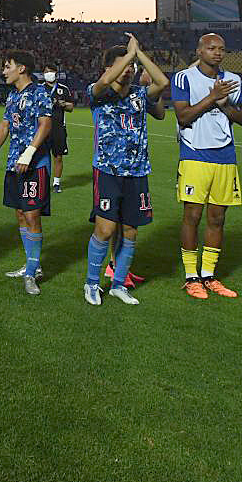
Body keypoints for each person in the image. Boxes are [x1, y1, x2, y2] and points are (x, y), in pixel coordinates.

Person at [83, 35, 169, 306]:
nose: (129, 70)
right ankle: (92, 283)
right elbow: (106, 82)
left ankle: (119, 284)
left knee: (130, 231)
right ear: (108, 68)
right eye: (124, 65)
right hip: (107, 171)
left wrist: (138, 53)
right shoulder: (97, 93)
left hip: (137, 172)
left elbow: (163, 82)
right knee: (105, 229)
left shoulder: (139, 96)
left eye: (131, 66)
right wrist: (127, 57)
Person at [172, 33, 242, 299]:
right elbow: (182, 117)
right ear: (199, 51)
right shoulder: (184, 78)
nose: (217, 52)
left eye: (221, 49)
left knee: (217, 218)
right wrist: (211, 98)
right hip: (195, 154)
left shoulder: (235, 81)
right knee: (192, 216)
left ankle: (209, 276)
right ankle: (191, 276)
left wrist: (225, 104)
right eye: (211, 48)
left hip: (226, 156)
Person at [0, 50, 54, 295]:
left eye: (8, 66)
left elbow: (45, 124)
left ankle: (31, 273)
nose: (4, 71)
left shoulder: (40, 93)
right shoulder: (12, 96)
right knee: (19, 214)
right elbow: (5, 124)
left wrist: (29, 153)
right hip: (13, 164)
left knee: (31, 216)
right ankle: (31, 264)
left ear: (22, 68)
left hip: (34, 164)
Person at [43, 66, 74, 192]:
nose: (48, 74)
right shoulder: (39, 89)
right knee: (42, 157)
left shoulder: (63, 89)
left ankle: (56, 183)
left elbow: (71, 107)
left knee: (58, 156)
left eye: (50, 71)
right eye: (46, 72)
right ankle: (43, 182)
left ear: (56, 73)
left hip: (58, 127)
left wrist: (62, 104)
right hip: (42, 128)